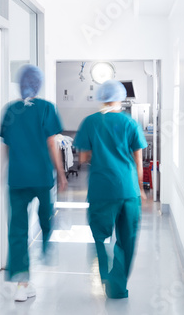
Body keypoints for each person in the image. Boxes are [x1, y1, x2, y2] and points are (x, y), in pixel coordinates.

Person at [0, 65, 68, 302]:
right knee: (47, 215)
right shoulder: (47, 108)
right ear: (39, 84)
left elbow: (6, 146)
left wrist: (4, 171)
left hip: (17, 178)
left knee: (17, 229)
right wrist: (60, 172)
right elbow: (52, 144)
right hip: (40, 176)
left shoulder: (10, 110)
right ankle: (46, 246)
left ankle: (21, 283)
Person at [74, 80, 147, 299]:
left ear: (101, 97)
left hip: (102, 189)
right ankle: (117, 287)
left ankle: (105, 274)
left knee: (101, 237)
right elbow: (138, 160)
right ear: (120, 98)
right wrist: (141, 188)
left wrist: (102, 153)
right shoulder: (129, 123)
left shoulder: (90, 122)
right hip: (128, 189)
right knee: (127, 239)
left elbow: (84, 156)